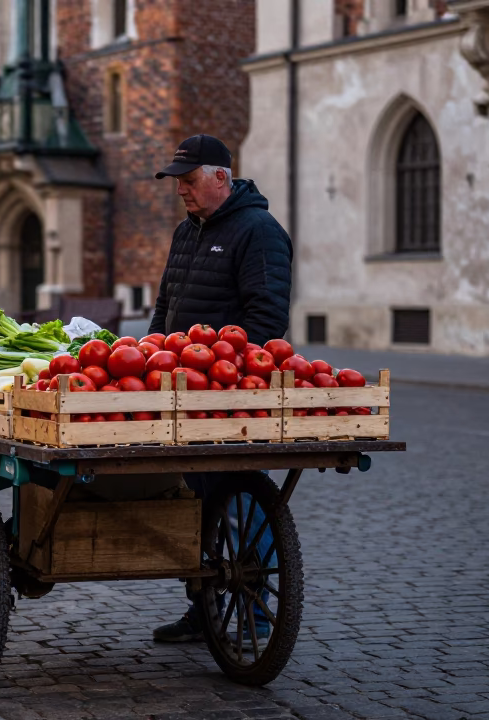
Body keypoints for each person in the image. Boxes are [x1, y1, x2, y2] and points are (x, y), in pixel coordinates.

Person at [147, 135, 293, 644]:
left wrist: (226, 374)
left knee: (236, 496)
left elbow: (267, 319)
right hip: (181, 389)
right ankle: (205, 606)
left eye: (188, 181)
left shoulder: (259, 231)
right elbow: (165, 306)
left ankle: (251, 612)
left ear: (220, 179)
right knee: (198, 499)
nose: (181, 191)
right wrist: (150, 354)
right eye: (177, 183)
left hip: (229, 392)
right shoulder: (187, 232)